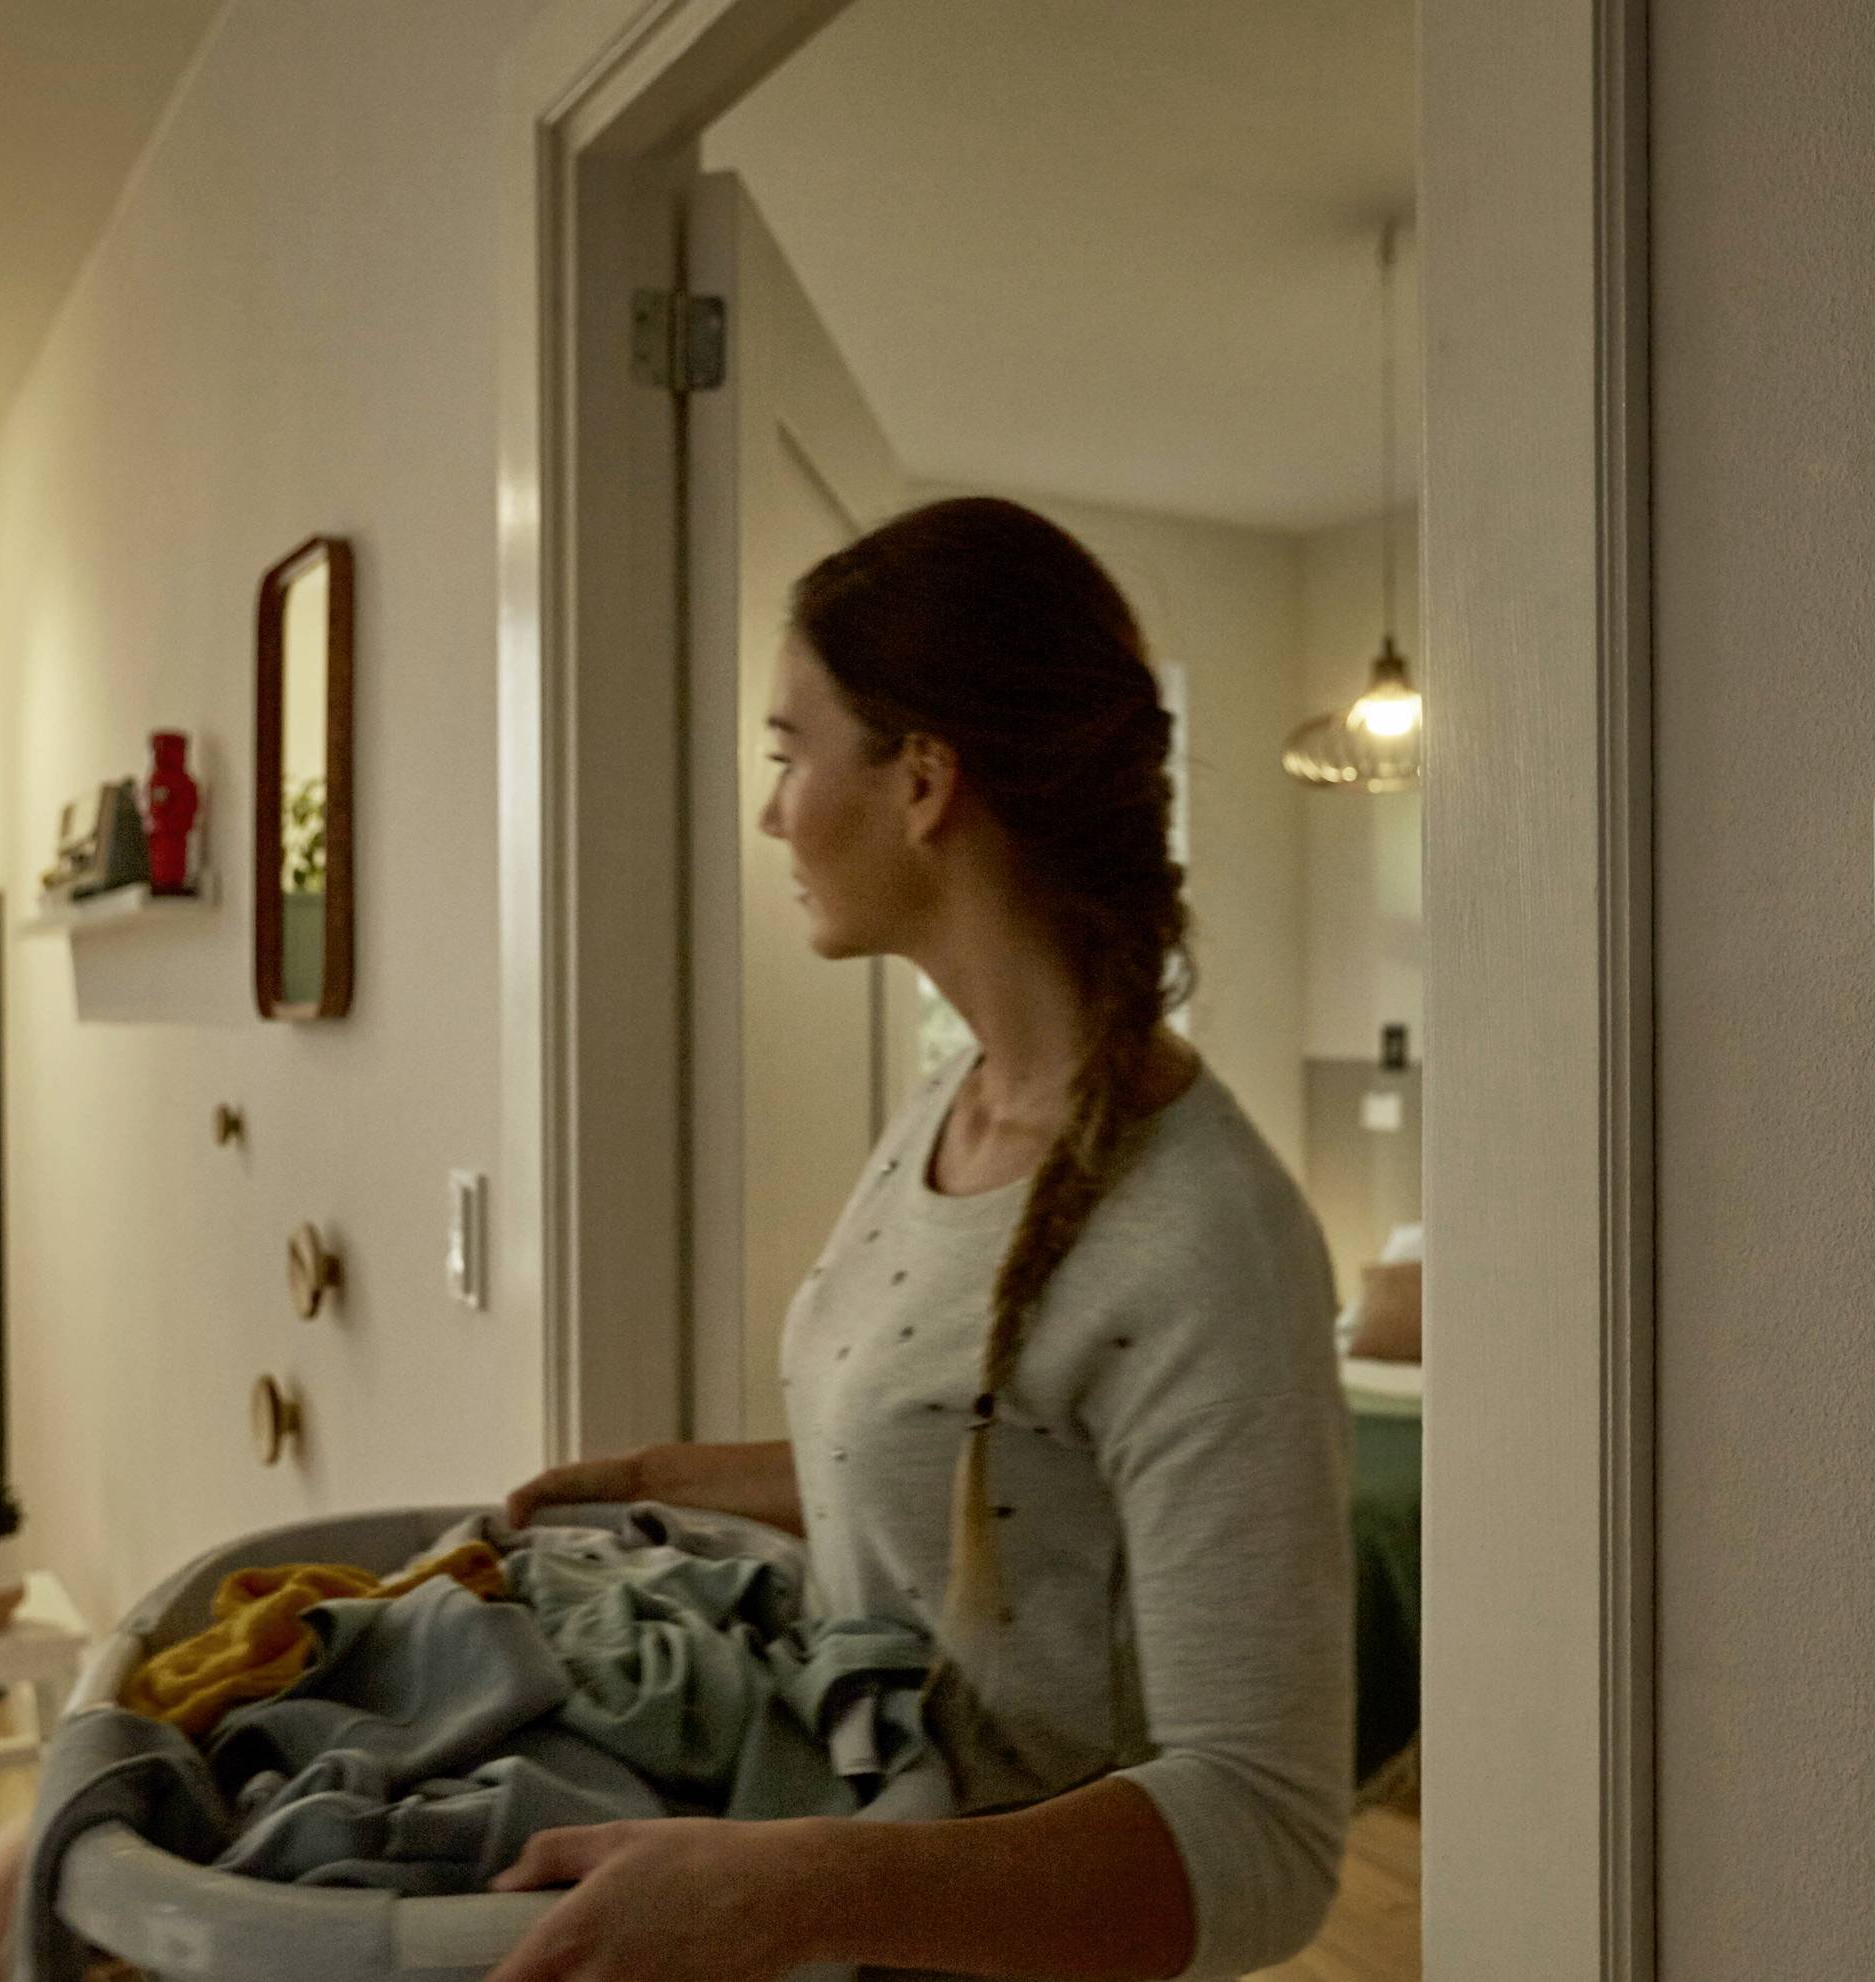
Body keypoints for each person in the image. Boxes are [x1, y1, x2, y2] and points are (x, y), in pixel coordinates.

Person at [482, 497, 1351, 1982]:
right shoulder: (952, 1110)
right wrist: (645, 1489)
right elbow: (973, 1467)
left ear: (924, 779)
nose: (773, 812)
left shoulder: (1206, 1241)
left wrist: (795, 1889)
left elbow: (1264, 1832)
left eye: (788, 752)